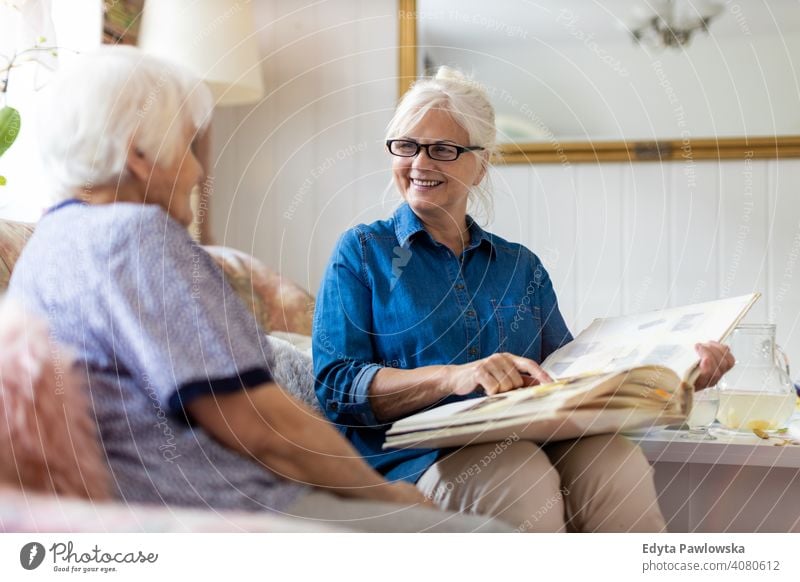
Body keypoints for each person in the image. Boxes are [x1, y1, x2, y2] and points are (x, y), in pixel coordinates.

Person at [6, 47, 508, 533]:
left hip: (143, 505)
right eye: (187, 145)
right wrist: (390, 495)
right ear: (139, 155)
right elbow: (262, 427)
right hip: (227, 506)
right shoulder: (135, 236)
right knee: (491, 540)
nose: (199, 171)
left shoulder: (48, 247)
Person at [313, 67, 735, 532]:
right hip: (416, 461)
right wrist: (453, 377)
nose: (419, 164)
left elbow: (569, 379)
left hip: (529, 442)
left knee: (617, 460)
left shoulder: (521, 267)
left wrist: (679, 376)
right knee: (519, 473)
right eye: (406, 146)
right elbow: (337, 386)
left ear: (482, 163)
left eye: (443, 150)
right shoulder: (362, 252)